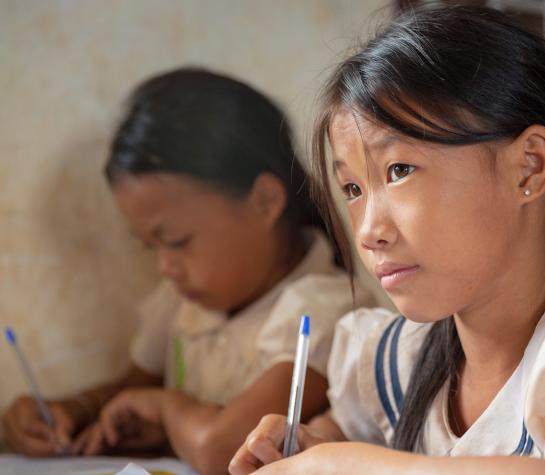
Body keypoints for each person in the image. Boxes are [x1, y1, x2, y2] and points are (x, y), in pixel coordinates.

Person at [230, 6, 545, 475]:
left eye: (399, 170)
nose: (369, 230)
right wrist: (311, 445)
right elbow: (340, 434)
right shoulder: (403, 361)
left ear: (529, 167)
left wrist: (338, 465)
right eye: (352, 189)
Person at [2, 68, 372, 475]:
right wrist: (68, 411)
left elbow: (222, 449)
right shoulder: (184, 301)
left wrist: (166, 409)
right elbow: (130, 390)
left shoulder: (322, 311)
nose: (164, 267)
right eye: (149, 246)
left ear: (265, 201)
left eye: (177, 241)